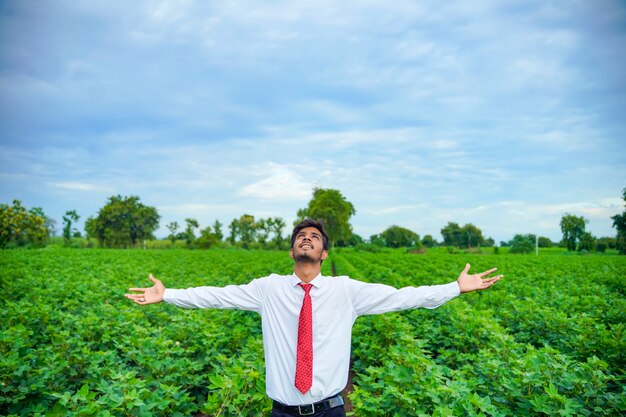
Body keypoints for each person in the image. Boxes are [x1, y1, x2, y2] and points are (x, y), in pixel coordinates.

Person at [125, 219, 502, 417]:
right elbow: (216, 296)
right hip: (282, 412)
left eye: (315, 237)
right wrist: (168, 294)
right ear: (292, 251)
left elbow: (402, 297)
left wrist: (454, 288)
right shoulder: (268, 289)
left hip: (331, 410)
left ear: (323, 254)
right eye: (301, 236)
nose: (307, 239)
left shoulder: (346, 291)